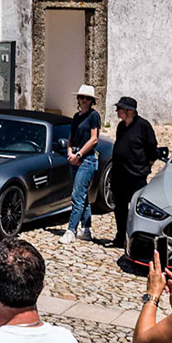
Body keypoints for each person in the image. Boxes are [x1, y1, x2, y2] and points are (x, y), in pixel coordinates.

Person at [109, 96, 159, 249]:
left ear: (130, 111)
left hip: (136, 175)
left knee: (136, 208)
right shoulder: (121, 127)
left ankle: (136, 239)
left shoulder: (143, 126)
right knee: (120, 208)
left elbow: (153, 151)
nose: (117, 112)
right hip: (119, 174)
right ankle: (120, 237)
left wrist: (145, 168)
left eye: (120, 109)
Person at [59, 85, 103, 245]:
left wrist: (79, 154)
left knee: (77, 195)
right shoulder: (77, 117)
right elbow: (71, 136)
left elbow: (94, 139)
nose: (84, 100)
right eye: (81, 97)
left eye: (87, 98)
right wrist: (70, 152)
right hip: (75, 156)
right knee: (82, 195)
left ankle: (71, 230)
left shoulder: (94, 116)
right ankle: (86, 228)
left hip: (87, 159)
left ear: (91, 101)